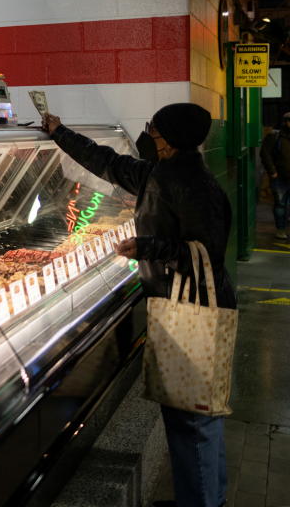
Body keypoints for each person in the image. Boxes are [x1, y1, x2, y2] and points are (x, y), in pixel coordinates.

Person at [43, 103, 236, 507]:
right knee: (195, 411)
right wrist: (60, 132)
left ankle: (204, 503)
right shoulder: (158, 174)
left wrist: (147, 247)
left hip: (196, 310)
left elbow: (207, 252)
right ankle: (201, 498)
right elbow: (108, 162)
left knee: (194, 417)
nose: (150, 133)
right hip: (180, 304)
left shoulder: (195, 185)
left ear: (168, 136)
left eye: (154, 127)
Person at [260, 111, 290, 239]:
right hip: (280, 177)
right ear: (286, 122)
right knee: (280, 205)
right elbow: (265, 154)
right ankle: (281, 229)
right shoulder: (275, 136)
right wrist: (273, 172)